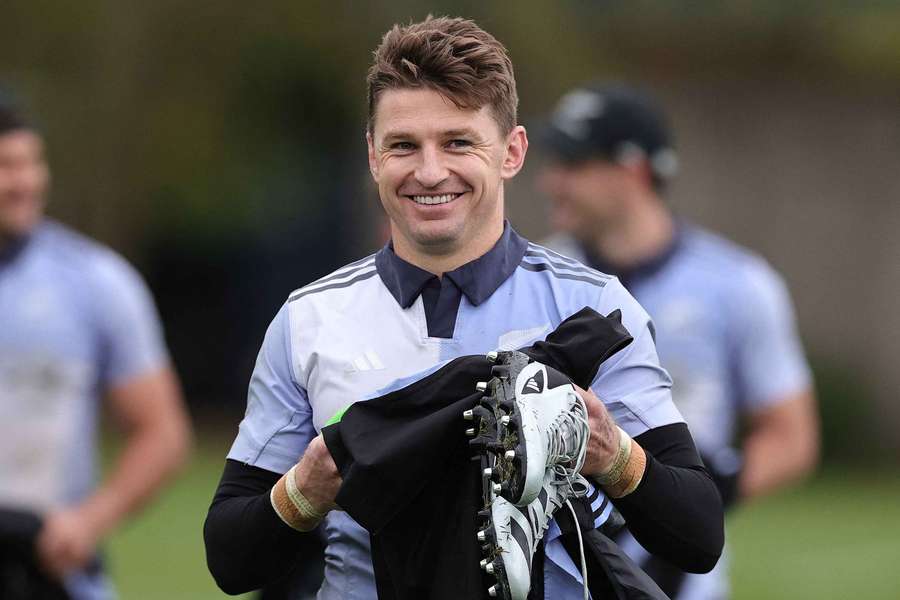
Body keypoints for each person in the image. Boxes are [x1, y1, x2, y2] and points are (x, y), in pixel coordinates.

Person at [204, 17, 724, 599]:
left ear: (512, 151)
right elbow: (230, 558)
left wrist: (608, 450)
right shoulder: (310, 319)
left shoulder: (592, 307)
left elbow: (698, 535)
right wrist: (308, 486)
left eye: (458, 142)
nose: (430, 172)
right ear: (373, 156)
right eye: (404, 145)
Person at [537, 83, 820, 599]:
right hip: (561, 567)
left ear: (634, 172)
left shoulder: (738, 284)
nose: (552, 182)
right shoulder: (535, 280)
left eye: (574, 165)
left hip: (685, 580)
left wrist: (707, 492)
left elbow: (792, 434)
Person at [0, 89, 192, 599]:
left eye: (29, 163)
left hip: (48, 576)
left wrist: (88, 522)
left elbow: (163, 432)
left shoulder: (94, 282)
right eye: (4, 165)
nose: (21, 182)